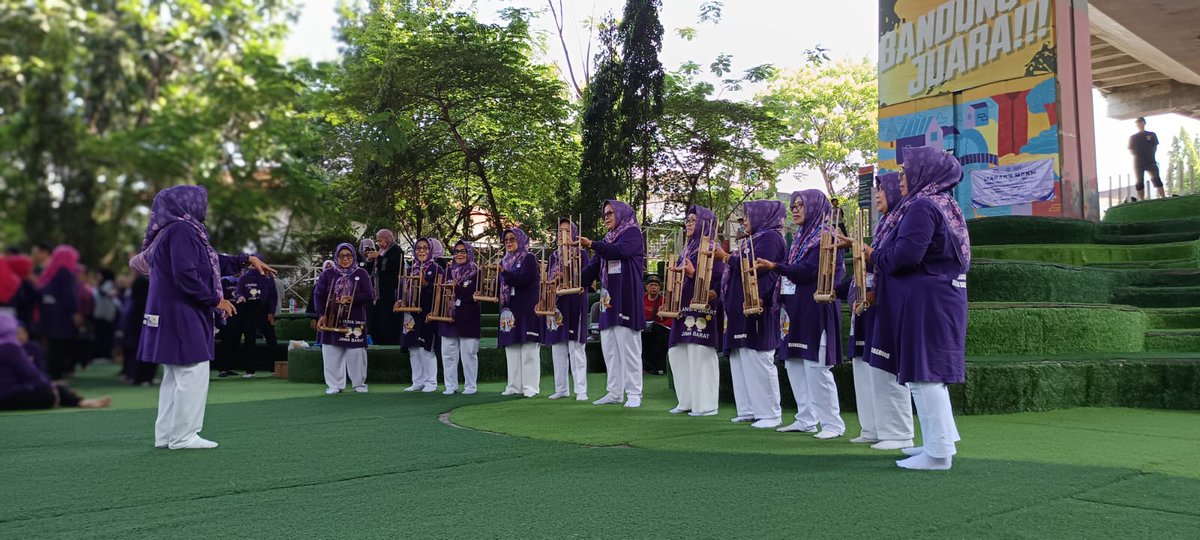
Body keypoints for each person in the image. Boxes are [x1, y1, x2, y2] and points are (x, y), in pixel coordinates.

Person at [132, 185, 275, 450]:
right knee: (193, 371)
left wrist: (246, 259)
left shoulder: (172, 231)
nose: (204, 207)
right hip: (182, 312)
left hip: (171, 310)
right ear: (186, 204)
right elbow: (186, 273)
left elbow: (210, 261)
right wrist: (215, 299)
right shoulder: (183, 230)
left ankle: (166, 436)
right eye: (200, 201)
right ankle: (184, 436)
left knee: (175, 375)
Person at [865, 146, 970, 471]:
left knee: (924, 376)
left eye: (905, 171)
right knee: (928, 375)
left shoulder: (923, 206)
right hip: (939, 298)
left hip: (927, 301)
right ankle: (941, 442)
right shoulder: (944, 203)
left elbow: (905, 256)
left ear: (924, 173)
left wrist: (873, 256)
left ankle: (938, 454)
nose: (901, 178)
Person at [758, 190, 846, 439]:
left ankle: (833, 424)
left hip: (816, 308)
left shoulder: (827, 237)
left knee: (816, 365)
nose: (795, 209)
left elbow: (809, 272)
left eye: (800, 205)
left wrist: (775, 266)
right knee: (794, 362)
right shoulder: (799, 238)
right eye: (793, 205)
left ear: (816, 207)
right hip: (794, 308)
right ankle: (806, 418)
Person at [843, 173, 914, 451]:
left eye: (883, 190)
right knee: (867, 368)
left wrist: (869, 257)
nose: (878, 196)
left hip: (886, 303)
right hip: (869, 303)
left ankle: (898, 433)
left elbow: (895, 262)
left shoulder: (903, 220)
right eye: (877, 191)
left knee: (886, 368)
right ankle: (873, 426)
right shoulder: (886, 223)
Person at [717, 200, 786, 429]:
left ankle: (770, 413)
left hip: (759, 304)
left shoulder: (772, 238)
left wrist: (726, 257)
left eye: (747, 216)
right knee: (741, 357)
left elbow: (755, 266)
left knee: (758, 358)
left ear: (761, 216)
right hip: (740, 306)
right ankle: (748, 409)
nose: (743, 220)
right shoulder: (752, 239)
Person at [579, 200, 646, 407]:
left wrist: (592, 245)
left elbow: (621, 252)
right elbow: (591, 269)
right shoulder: (606, 241)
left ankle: (634, 393)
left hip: (626, 297)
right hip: (607, 301)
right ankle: (614, 392)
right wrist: (567, 279)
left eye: (610, 213)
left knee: (629, 347)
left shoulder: (632, 233)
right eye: (604, 214)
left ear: (621, 213)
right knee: (609, 347)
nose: (606, 217)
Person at [666, 205, 725, 417]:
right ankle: (687, 400)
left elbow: (719, 281)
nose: (688, 224)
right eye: (687, 220)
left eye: (692, 220)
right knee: (677, 352)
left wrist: (692, 273)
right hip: (682, 309)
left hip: (702, 309)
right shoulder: (687, 249)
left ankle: (706, 405)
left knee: (700, 354)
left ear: (703, 223)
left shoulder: (712, 248)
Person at [0, 311, 112, 411]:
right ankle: (79, 401)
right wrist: (50, 387)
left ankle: (78, 400)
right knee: (51, 393)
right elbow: (33, 375)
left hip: (9, 392)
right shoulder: (10, 348)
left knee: (54, 387)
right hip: (8, 395)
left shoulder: (29, 347)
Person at [315, 243, 375, 394]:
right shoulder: (327, 274)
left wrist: (352, 298)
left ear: (354, 256)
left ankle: (359, 384)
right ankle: (334, 384)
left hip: (354, 318)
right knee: (331, 351)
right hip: (331, 318)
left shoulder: (361, 273)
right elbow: (318, 295)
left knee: (356, 353)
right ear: (336, 257)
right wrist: (321, 314)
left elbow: (369, 294)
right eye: (341, 256)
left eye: (348, 256)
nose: (345, 259)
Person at [543, 219, 591, 401]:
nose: (562, 234)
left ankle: (581, 390)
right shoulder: (553, 256)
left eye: (566, 230)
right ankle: (561, 388)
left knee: (576, 347)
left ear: (573, 233)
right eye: (559, 231)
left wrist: (567, 275)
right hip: (558, 303)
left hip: (575, 302)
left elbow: (585, 277)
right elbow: (549, 278)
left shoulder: (581, 253)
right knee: (557, 346)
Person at [495, 228, 541, 397]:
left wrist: (505, 274)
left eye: (512, 238)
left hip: (527, 307)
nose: (509, 242)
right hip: (510, 307)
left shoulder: (529, 258)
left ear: (520, 240)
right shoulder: (504, 261)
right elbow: (500, 285)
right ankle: (514, 386)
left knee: (529, 346)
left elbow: (525, 280)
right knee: (512, 346)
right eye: (506, 239)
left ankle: (530, 387)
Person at [400, 238, 443, 392]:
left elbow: (440, 293)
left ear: (430, 250)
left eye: (425, 248)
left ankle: (431, 382)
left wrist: (426, 285)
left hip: (427, 314)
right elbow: (402, 290)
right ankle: (417, 381)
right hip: (411, 315)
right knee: (413, 348)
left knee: (426, 348)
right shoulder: (411, 269)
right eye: (418, 248)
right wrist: (399, 301)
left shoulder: (437, 269)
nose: (422, 251)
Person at [439, 240, 482, 395]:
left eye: (463, 251)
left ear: (469, 253)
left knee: (469, 353)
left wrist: (455, 288)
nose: (459, 254)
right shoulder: (448, 271)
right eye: (456, 251)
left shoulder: (476, 271)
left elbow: (470, 294)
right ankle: (450, 386)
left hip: (468, 317)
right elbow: (442, 293)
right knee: (448, 353)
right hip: (449, 316)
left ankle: (470, 386)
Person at [37, 245, 82, 382]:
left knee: (53, 346)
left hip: (49, 314)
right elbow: (69, 295)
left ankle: (53, 373)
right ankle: (57, 375)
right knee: (59, 346)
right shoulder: (65, 272)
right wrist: (75, 311)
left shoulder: (50, 272)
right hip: (61, 315)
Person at [235, 262, 279, 378]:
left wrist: (271, 312)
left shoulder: (268, 277)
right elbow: (239, 292)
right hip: (249, 310)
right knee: (249, 340)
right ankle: (250, 370)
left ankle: (274, 368)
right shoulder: (244, 277)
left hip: (264, 311)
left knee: (271, 339)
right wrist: (241, 297)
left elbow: (273, 296)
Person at [365, 229, 403, 345]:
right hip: (379, 294)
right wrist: (372, 259)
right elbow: (373, 270)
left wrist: (379, 257)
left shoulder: (397, 251)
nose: (379, 244)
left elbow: (393, 265)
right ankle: (378, 342)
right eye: (378, 241)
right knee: (378, 320)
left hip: (390, 293)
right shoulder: (382, 251)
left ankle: (390, 343)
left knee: (388, 321)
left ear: (387, 239)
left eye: (381, 240)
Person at [640, 275, 670, 375]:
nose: (654, 287)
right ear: (646, 287)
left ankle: (657, 368)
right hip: (643, 329)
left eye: (656, 285)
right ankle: (643, 367)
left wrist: (659, 325)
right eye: (651, 285)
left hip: (659, 330)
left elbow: (670, 320)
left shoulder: (665, 301)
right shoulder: (641, 299)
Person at [1129, 117, 1165, 200]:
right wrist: (1137, 155)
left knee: (1156, 179)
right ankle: (1142, 200)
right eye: (1137, 123)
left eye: (1140, 122)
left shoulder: (1151, 134)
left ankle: (1163, 197)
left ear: (1144, 123)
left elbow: (1155, 146)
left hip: (1150, 161)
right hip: (1138, 163)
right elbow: (1130, 149)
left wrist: (1151, 155)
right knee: (1139, 181)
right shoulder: (1133, 137)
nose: (1139, 124)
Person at [215, 275, 243, 377]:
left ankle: (230, 367)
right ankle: (222, 369)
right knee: (225, 343)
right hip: (225, 317)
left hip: (238, 316)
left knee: (236, 342)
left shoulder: (241, 281)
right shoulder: (223, 281)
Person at [3, 255, 39, 332]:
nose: (31, 269)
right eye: (29, 267)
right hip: (21, 325)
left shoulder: (9, 282)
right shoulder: (23, 284)